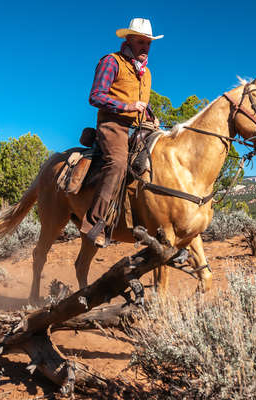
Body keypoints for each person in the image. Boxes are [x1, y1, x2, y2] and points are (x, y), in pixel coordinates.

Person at [81, 18, 163, 248]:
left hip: (137, 128)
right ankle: (95, 224)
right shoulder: (111, 61)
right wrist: (128, 107)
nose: (145, 47)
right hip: (112, 126)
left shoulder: (146, 74)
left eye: (149, 43)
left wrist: (150, 115)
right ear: (129, 41)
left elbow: (141, 103)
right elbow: (96, 95)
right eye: (141, 42)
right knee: (117, 163)